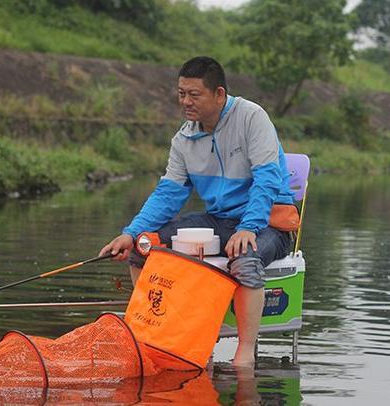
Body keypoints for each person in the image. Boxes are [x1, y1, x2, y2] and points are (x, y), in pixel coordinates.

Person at [99, 56, 295, 367]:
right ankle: (163, 333)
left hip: (267, 222)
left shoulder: (252, 118)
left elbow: (267, 179)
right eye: (181, 93)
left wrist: (249, 227)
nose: (186, 102)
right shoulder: (183, 138)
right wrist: (131, 232)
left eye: (194, 94)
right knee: (144, 248)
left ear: (219, 94)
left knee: (244, 258)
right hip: (219, 221)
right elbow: (168, 194)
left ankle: (243, 353)